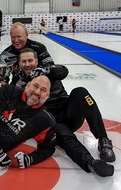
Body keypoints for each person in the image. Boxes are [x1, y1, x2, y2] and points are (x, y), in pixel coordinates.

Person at [11, 48, 115, 177]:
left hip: (69, 112)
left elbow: (64, 71)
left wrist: (46, 71)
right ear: (19, 64)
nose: (27, 64)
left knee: (80, 92)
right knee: (64, 136)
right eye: (24, 61)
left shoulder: (49, 70)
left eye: (30, 60)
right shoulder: (19, 83)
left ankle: (103, 139)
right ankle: (90, 163)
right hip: (50, 120)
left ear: (36, 61)